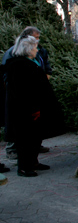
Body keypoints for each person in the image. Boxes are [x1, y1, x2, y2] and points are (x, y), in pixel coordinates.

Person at [2, 35, 56, 177]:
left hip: (33, 108)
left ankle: (33, 162)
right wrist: (34, 108)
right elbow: (23, 91)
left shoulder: (30, 62)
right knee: (25, 138)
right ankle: (24, 167)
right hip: (24, 110)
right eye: (34, 47)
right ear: (27, 49)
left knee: (34, 137)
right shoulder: (18, 66)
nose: (37, 50)